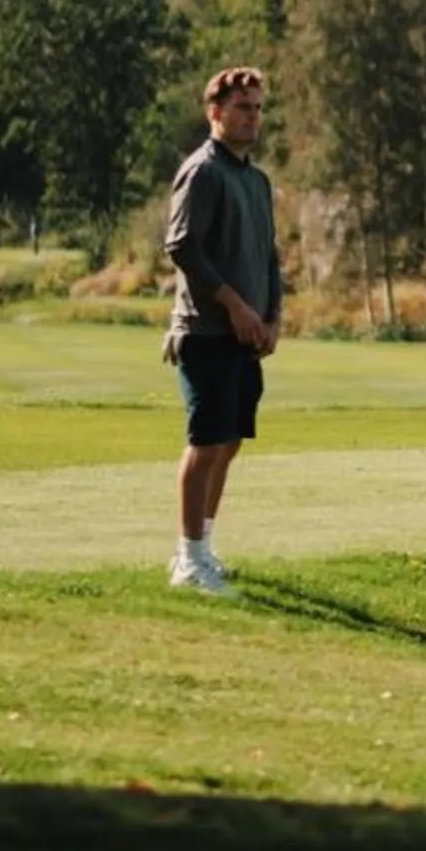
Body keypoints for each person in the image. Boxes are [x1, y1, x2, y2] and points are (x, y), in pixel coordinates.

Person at [161, 66, 282, 596]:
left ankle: (205, 547)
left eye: (257, 108)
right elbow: (183, 246)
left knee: (229, 441)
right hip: (205, 331)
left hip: (245, 336)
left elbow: (269, 254)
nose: (252, 117)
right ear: (215, 113)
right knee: (205, 443)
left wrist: (273, 316)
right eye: (242, 107)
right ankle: (187, 561)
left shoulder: (256, 181)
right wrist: (234, 306)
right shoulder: (202, 171)